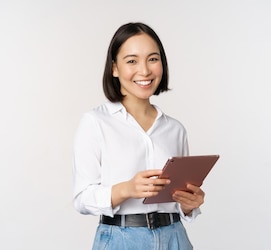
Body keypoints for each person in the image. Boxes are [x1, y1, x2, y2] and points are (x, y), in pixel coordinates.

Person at [72, 22, 205, 250]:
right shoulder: (95, 122)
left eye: (153, 59)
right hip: (120, 239)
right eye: (132, 61)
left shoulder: (175, 129)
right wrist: (126, 189)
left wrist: (190, 204)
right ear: (114, 68)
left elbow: (178, 197)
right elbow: (82, 199)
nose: (144, 71)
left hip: (175, 238)